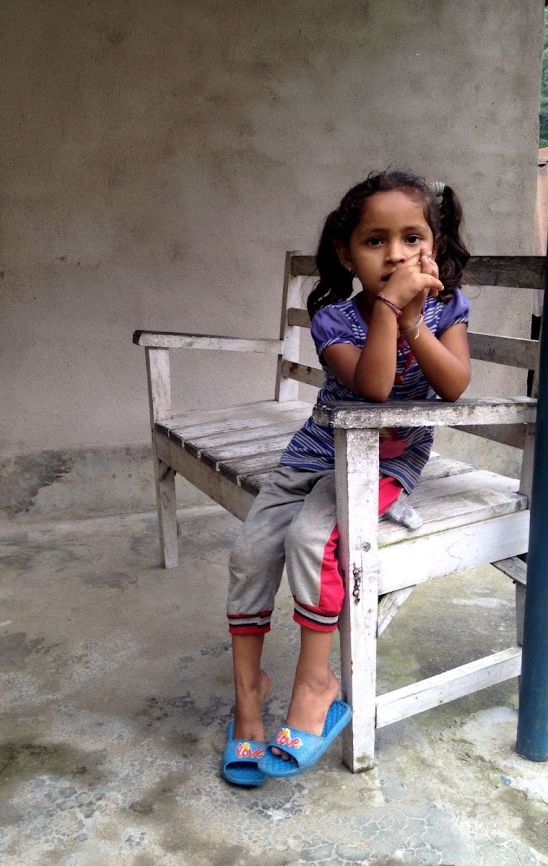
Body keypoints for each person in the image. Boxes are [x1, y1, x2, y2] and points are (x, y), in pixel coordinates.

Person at [221, 169, 472, 786]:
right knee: (251, 550)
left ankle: (317, 684)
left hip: (385, 462)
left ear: (433, 245)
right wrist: (388, 307)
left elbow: (454, 386)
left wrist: (410, 317)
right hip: (315, 453)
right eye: (374, 241)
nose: (395, 254)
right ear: (346, 253)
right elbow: (371, 387)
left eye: (412, 238)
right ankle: (248, 698)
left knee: (314, 540)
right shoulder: (333, 318)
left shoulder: (448, 309)